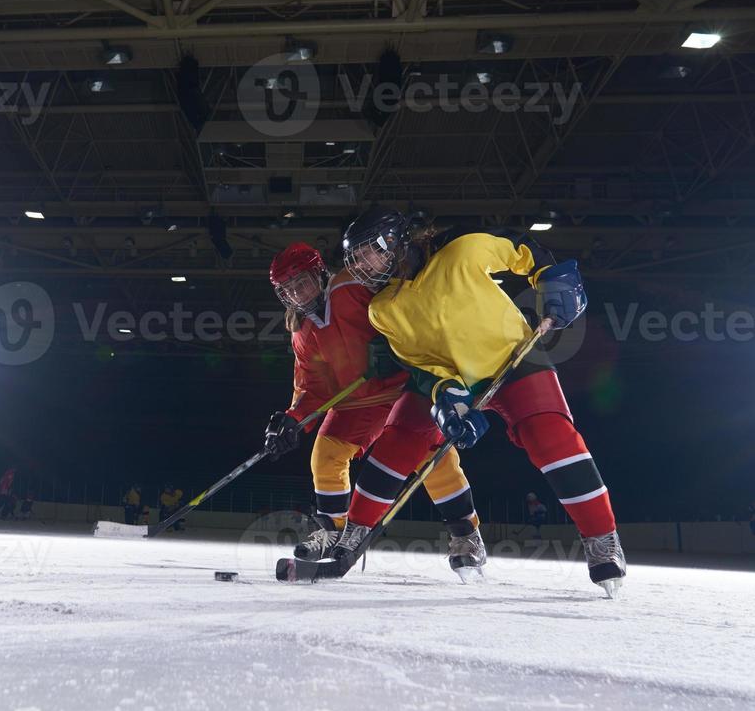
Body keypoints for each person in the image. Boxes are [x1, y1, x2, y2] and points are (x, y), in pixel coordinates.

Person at [339, 208, 626, 596]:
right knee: (398, 440)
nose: (361, 265)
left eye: (367, 252)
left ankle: (602, 539)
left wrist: (553, 279)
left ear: (395, 242)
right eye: (354, 259)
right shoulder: (383, 310)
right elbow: (422, 366)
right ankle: (356, 535)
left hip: (515, 358)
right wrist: (447, 397)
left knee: (550, 438)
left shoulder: (463, 250)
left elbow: (522, 249)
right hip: (457, 378)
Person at [264, 242, 486, 581]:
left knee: (429, 457)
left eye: (302, 282)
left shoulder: (351, 287)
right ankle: (333, 530)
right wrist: (294, 418)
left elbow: (403, 306)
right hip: (360, 402)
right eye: (289, 289)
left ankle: (466, 534)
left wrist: (394, 346)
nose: (298, 293)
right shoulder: (302, 334)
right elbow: (313, 388)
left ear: (319, 273)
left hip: (403, 387)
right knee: (325, 453)